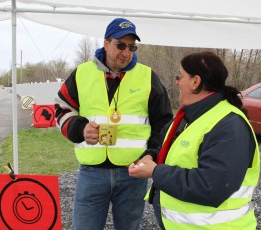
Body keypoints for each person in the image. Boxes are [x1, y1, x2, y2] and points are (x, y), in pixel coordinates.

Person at [55, 18, 173, 230]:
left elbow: (164, 122)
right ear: (106, 43)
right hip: (91, 173)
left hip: (132, 174)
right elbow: (61, 109)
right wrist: (79, 128)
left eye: (131, 47)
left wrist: (152, 153)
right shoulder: (82, 73)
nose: (126, 53)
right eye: (121, 45)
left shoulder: (147, 76)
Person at [129, 51, 260, 229]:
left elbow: (211, 186)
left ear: (195, 82)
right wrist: (150, 156)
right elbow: (168, 150)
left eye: (180, 76)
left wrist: (156, 172)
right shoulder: (188, 115)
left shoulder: (229, 125)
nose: (177, 81)